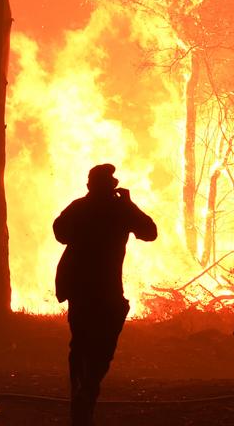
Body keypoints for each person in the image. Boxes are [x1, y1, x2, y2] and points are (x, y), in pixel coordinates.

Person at [54, 163, 157, 426]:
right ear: (113, 188)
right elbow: (149, 232)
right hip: (107, 289)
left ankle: (82, 393)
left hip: (79, 288)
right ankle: (88, 390)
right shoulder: (120, 209)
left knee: (80, 343)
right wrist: (129, 205)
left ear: (89, 186)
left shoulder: (79, 207)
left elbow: (60, 232)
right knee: (102, 347)